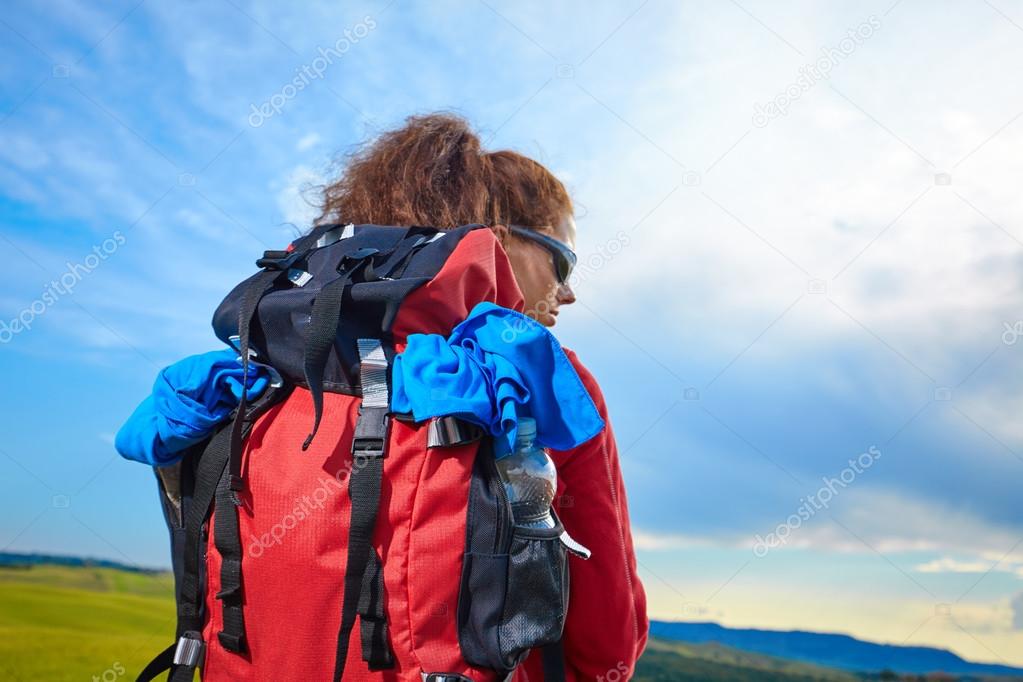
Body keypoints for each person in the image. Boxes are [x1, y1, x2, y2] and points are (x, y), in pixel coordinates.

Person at [316, 113, 648, 681]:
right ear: (497, 239)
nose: (568, 294)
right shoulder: (540, 376)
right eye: (561, 260)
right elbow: (607, 634)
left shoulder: (296, 357)